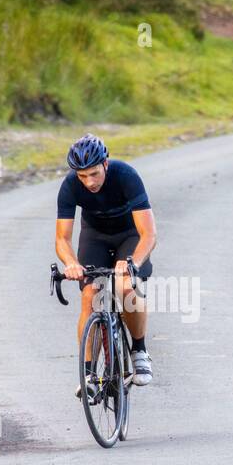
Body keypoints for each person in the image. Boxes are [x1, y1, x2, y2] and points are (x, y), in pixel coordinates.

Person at [55, 134, 157, 393]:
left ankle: (139, 351)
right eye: (82, 176)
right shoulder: (70, 186)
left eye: (94, 174)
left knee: (125, 289)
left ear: (106, 164)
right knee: (90, 294)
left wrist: (132, 261)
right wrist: (71, 263)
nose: (89, 182)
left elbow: (149, 234)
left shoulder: (126, 176)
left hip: (129, 236)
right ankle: (88, 375)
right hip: (95, 237)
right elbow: (62, 238)